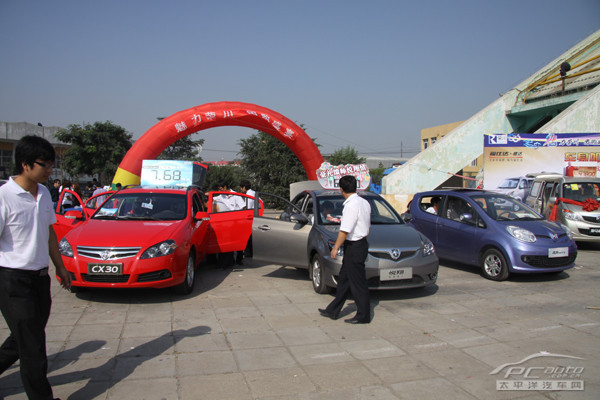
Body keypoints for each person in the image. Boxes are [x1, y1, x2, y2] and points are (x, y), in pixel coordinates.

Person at [0, 135, 72, 400]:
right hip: (12, 281)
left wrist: (60, 267)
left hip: (40, 279)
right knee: (33, 348)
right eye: (45, 164)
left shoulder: (43, 193)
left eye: (52, 164)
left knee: (23, 339)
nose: (50, 169)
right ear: (26, 164)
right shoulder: (4, 197)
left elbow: (50, 232)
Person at [319, 175, 371, 324]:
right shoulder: (364, 202)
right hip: (359, 244)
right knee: (344, 280)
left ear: (341, 189)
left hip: (355, 246)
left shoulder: (350, 205)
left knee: (357, 283)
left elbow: (344, 230)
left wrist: (335, 248)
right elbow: (368, 227)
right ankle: (333, 310)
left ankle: (363, 315)